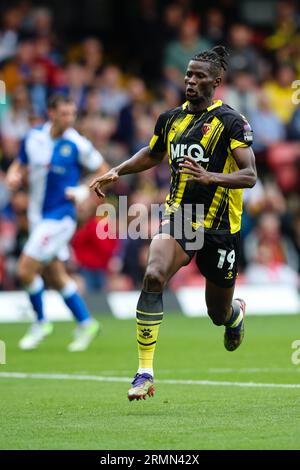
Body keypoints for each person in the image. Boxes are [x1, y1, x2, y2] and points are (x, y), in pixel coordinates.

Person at [90, 46, 257, 401]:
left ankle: (234, 316)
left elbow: (250, 175)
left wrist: (210, 177)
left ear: (217, 82)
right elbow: (152, 153)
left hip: (221, 228)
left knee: (217, 312)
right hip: (182, 217)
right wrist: (116, 170)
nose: (191, 81)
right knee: (153, 275)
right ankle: (144, 372)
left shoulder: (231, 122)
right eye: (188, 75)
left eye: (199, 76)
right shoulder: (170, 119)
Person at [6, 94, 108, 351]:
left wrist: (84, 190)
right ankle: (87, 323)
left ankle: (40, 322)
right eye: (64, 114)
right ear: (51, 113)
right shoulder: (33, 138)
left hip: (61, 217)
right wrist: (13, 175)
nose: (69, 119)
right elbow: (20, 164)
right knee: (56, 275)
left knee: (25, 270)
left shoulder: (77, 144)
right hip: (37, 215)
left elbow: (104, 171)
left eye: (72, 114)